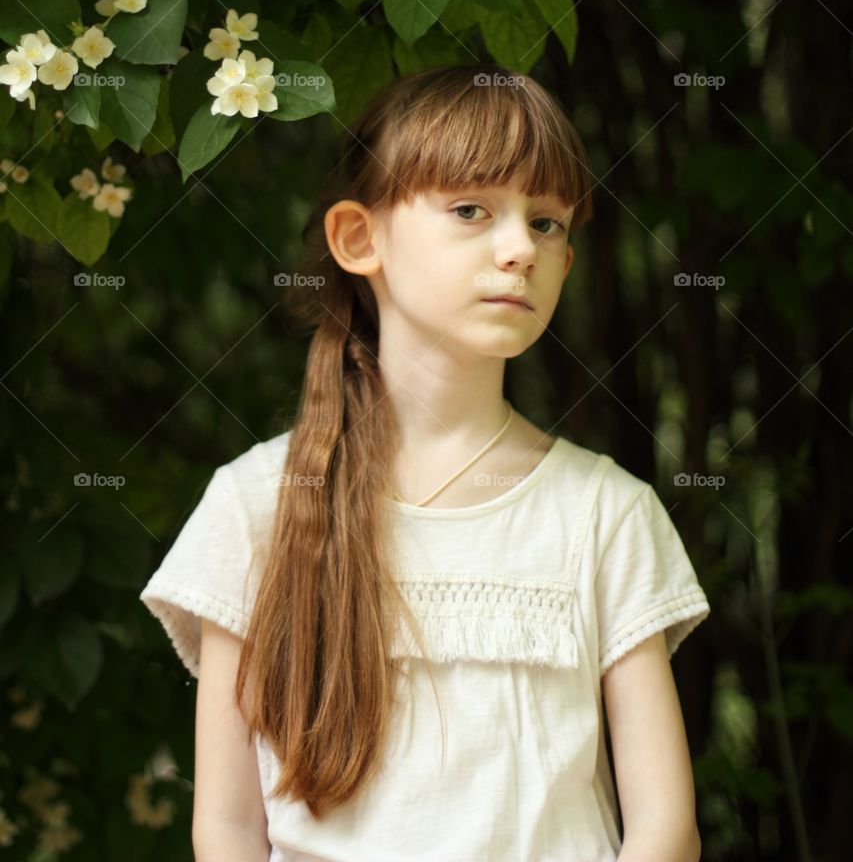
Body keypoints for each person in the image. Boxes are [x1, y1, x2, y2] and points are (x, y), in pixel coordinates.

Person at [140, 62, 710, 862]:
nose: (518, 249)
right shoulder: (252, 506)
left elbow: (664, 831)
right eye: (471, 210)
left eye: (546, 223)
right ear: (358, 238)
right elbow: (229, 830)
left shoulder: (606, 514)